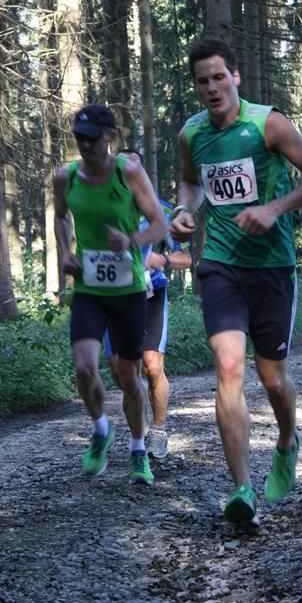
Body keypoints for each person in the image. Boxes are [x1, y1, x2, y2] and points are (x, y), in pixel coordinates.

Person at [171, 37, 302, 528]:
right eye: (202, 81)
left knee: (273, 379)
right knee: (228, 367)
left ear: (235, 76)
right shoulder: (191, 133)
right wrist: (183, 209)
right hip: (221, 264)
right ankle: (242, 488)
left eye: (219, 77)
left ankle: (287, 439)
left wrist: (273, 208)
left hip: (272, 267)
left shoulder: (267, 124)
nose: (212, 87)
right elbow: (191, 182)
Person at [53, 104, 168, 485]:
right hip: (89, 288)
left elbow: (159, 223)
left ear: (110, 137)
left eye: (92, 138)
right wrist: (65, 251)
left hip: (128, 289)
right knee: (85, 367)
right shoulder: (65, 177)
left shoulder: (128, 172)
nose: (85, 145)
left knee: (129, 377)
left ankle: (138, 449)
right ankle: (101, 429)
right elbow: (60, 216)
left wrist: (131, 240)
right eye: (79, 138)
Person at [103, 150, 192, 460]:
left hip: (151, 294)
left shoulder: (161, 209)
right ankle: (137, 430)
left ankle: (157, 432)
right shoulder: (102, 206)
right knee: (121, 373)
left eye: (134, 168)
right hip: (114, 296)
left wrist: (162, 259)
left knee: (153, 366)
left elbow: (185, 258)